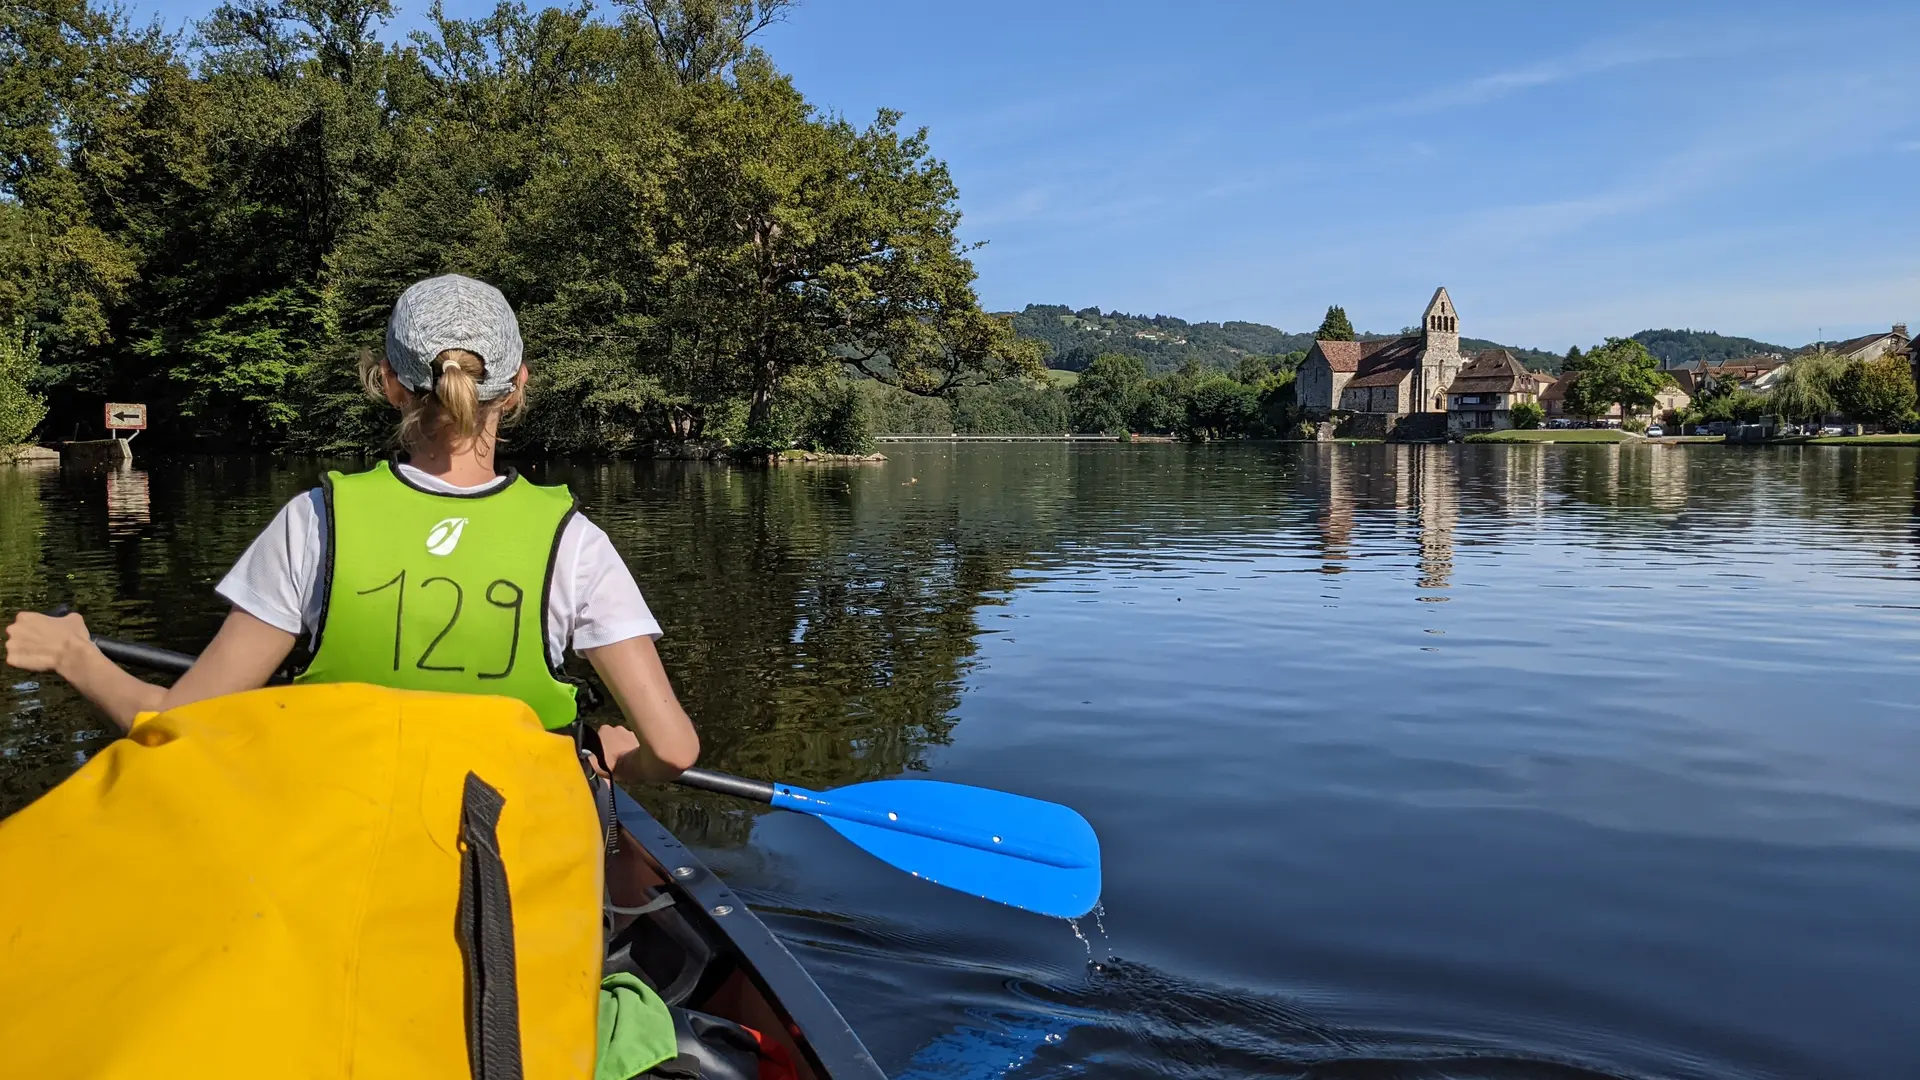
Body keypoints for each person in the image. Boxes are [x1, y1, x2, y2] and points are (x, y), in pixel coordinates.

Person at [4, 274, 698, 784]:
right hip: (508, 878)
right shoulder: (573, 543)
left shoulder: (314, 524)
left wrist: (74, 655)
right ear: (516, 386)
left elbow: (174, 728)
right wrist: (622, 762)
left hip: (339, 860)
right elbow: (674, 749)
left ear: (390, 385)